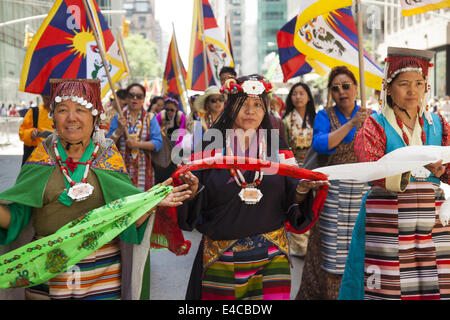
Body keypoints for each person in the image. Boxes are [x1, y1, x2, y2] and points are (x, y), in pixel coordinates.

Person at [0, 79, 191, 300]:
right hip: (46, 273)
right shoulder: (40, 157)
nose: (71, 117)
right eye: (63, 110)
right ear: (54, 118)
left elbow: (127, 222)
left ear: (95, 118)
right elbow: (16, 217)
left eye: (80, 109)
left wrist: (150, 203)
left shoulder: (107, 157)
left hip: (102, 276)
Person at [176, 75, 329, 300]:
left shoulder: (276, 145)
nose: (251, 110)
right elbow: (193, 196)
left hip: (272, 256)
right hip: (222, 256)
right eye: (243, 103)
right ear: (231, 106)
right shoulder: (212, 143)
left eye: (258, 104)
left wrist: (303, 189)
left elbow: (292, 194)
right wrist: (194, 187)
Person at [339, 47, 450, 300]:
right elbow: (370, 167)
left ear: (426, 88)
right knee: (384, 285)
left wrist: (443, 168)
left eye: (419, 83)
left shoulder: (439, 124)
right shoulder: (375, 124)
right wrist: (416, 167)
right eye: (404, 84)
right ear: (388, 88)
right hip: (385, 217)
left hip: (430, 221)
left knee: (430, 281)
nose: (413, 90)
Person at [296, 66, 372, 300]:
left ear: (357, 88)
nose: (342, 92)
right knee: (331, 254)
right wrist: (350, 125)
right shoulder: (324, 115)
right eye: (335, 88)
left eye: (346, 86)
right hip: (332, 197)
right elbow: (320, 145)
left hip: (361, 195)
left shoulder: (370, 117)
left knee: (361, 252)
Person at [282, 82, 317, 258]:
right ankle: (298, 246)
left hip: (314, 165)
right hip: (294, 167)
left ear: (309, 97)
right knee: (299, 203)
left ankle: (313, 243)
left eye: (302, 93)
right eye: (294, 94)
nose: (298, 97)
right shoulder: (286, 121)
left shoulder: (317, 118)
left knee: (315, 204)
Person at [107, 83, 163, 191]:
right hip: (120, 168)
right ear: (127, 98)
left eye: (139, 96)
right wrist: (119, 129)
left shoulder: (150, 118)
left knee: (142, 202)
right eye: (131, 95)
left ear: (143, 99)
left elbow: (158, 143)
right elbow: (108, 143)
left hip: (143, 168)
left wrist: (137, 144)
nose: (135, 99)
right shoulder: (119, 117)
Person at [18, 95, 53, 165]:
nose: (49, 102)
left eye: (52, 99)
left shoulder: (64, 113)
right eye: (46, 98)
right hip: (37, 160)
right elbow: (22, 133)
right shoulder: (34, 112)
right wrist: (31, 133)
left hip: (58, 159)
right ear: (42, 96)